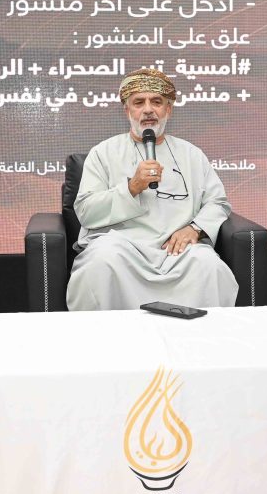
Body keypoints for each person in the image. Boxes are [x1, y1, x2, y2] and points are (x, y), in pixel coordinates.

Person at [66, 67, 237, 311]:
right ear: (127, 110)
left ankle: (197, 335)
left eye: (156, 102)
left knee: (209, 265)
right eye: (139, 102)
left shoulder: (191, 154)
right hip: (122, 247)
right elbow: (86, 212)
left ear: (168, 109)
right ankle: (108, 335)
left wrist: (195, 228)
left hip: (176, 251)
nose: (148, 109)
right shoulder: (102, 153)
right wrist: (132, 187)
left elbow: (217, 202)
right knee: (101, 262)